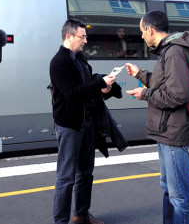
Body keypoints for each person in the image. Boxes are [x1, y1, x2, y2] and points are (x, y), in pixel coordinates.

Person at [125, 11, 189, 224]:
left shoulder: (173, 52)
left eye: (141, 32)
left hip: (174, 134)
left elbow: (179, 94)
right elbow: (163, 83)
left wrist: (144, 93)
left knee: (180, 197)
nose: (141, 37)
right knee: (169, 190)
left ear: (150, 29)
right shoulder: (168, 51)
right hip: (166, 132)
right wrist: (139, 75)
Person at [50, 18, 116, 224]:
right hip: (70, 126)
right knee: (66, 178)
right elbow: (72, 93)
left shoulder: (79, 58)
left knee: (86, 173)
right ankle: (61, 221)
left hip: (87, 123)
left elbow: (86, 85)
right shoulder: (59, 62)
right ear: (69, 37)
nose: (86, 41)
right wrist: (99, 83)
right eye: (83, 36)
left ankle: (81, 215)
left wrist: (102, 86)